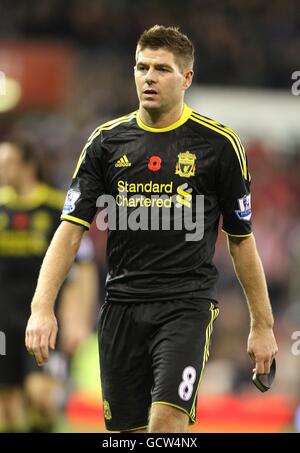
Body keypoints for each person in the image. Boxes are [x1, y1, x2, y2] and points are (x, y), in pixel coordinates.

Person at [25, 25, 278, 433]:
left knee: (165, 426)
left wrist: (262, 326)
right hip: (121, 307)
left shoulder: (218, 145)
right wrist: (42, 308)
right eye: (142, 67)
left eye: (162, 69)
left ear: (187, 78)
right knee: (129, 435)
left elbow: (241, 242)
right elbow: (69, 232)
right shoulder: (106, 143)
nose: (148, 77)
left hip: (185, 307)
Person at [0, 138, 97, 432]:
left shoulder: (56, 208)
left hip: (42, 318)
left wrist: (79, 320)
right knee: (6, 406)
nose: (1, 170)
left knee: (40, 397)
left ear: (28, 166)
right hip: (3, 321)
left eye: (7, 163)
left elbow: (84, 265)